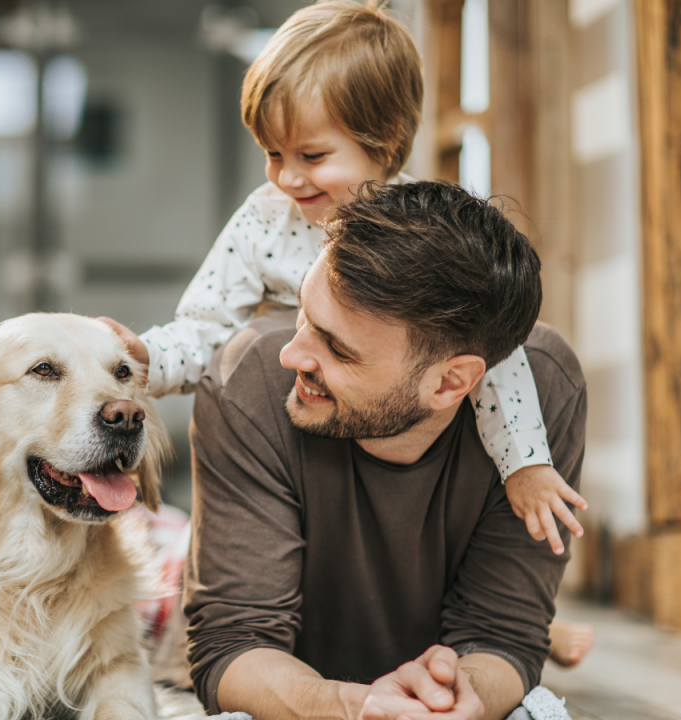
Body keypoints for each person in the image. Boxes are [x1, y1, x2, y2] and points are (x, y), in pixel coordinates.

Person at [100, 0, 586, 555]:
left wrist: (525, 463)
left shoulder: (421, 233)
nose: (287, 176)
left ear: (383, 141)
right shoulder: (265, 219)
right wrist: (146, 359)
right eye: (272, 153)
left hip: (403, 446)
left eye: (311, 154)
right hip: (309, 443)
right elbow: (206, 325)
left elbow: (493, 354)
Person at [184, 180, 587, 720]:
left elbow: (503, 634)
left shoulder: (545, 391)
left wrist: (458, 697)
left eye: (337, 349)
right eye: (305, 316)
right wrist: (355, 706)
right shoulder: (248, 382)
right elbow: (232, 645)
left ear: (450, 384)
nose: (291, 355)